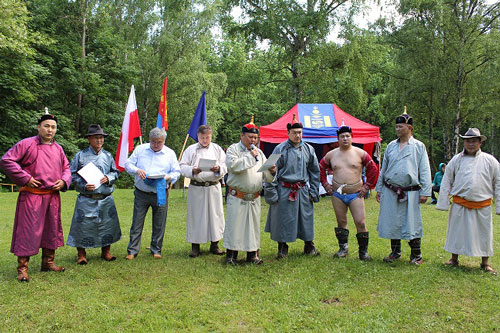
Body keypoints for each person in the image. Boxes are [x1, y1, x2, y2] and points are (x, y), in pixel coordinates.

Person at [0, 112, 71, 282]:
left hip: (52, 196)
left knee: (51, 230)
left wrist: (63, 181)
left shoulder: (58, 148)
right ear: (39, 127)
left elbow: (66, 168)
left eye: (53, 127)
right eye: (46, 126)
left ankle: (48, 262)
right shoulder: (26, 144)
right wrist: (25, 178)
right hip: (32, 196)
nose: (50, 130)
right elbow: (6, 160)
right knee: (28, 231)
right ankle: (22, 268)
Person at [436, 128, 500, 275]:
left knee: (484, 234)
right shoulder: (456, 160)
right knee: (456, 232)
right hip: (460, 203)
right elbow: (447, 181)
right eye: (467, 141)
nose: (470, 144)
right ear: (464, 142)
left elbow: (498, 182)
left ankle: (485, 262)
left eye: (474, 141)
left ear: (479, 142)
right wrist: (443, 203)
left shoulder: (490, 161)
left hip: (482, 205)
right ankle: (454, 259)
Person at [375, 109, 432, 265]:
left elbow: (425, 170)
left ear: (410, 128)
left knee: (412, 222)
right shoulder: (391, 146)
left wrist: (425, 192)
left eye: (401, 127)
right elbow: (384, 169)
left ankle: (416, 255)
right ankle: (395, 251)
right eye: (397, 126)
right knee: (392, 221)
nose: (397, 129)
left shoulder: (419, 147)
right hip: (390, 189)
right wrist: (379, 189)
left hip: (410, 192)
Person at [319, 122, 379, 261]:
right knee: (341, 222)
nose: (345, 139)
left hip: (356, 194)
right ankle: (343, 248)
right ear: (338, 139)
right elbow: (320, 168)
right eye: (342, 136)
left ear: (352, 137)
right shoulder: (331, 154)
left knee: (361, 222)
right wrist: (325, 185)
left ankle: (363, 252)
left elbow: (373, 169)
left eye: (347, 136)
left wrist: (367, 187)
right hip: (337, 194)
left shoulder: (360, 153)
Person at [264, 115, 321, 259]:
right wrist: (271, 192)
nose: (298, 135)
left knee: (306, 218)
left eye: (300, 132)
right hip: (284, 189)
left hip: (302, 190)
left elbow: (315, 172)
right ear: (288, 133)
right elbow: (267, 170)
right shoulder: (279, 148)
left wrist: (313, 191)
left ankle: (309, 245)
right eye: (295, 132)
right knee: (283, 218)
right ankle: (282, 247)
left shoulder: (309, 149)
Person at [224, 117, 276, 265]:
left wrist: (272, 171)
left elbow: (267, 176)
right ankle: (231, 256)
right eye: (250, 137)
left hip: (254, 197)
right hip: (238, 195)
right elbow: (233, 166)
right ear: (242, 136)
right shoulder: (233, 149)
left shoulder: (259, 152)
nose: (253, 140)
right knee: (235, 226)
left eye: (255, 137)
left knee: (252, 227)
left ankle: (252, 255)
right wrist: (250, 157)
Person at [67, 124, 121, 265]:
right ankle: (81, 254)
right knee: (82, 226)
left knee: (107, 225)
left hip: (105, 198)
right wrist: (83, 185)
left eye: (101, 138)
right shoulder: (80, 156)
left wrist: (109, 178)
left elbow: (115, 172)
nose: (99, 141)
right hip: (86, 198)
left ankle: (106, 252)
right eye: (96, 138)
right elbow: (71, 174)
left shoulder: (108, 156)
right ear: (89, 139)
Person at [125, 127, 180, 260]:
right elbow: (127, 164)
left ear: (164, 141)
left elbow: (177, 172)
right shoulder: (140, 149)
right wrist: (137, 170)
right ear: (149, 140)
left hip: (160, 192)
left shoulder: (170, 153)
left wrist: (167, 177)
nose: (156, 145)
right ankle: (132, 251)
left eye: (159, 142)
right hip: (141, 192)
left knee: (159, 222)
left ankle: (156, 249)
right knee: (137, 221)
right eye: (153, 142)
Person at [180, 125, 227, 257]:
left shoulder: (217, 149)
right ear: (198, 136)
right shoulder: (191, 150)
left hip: (213, 187)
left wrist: (218, 169)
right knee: (196, 216)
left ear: (211, 136)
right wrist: (192, 170)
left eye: (207, 138)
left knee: (215, 215)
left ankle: (215, 244)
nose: (205, 140)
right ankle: (195, 246)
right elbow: (182, 166)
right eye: (202, 138)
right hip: (197, 187)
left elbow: (225, 165)